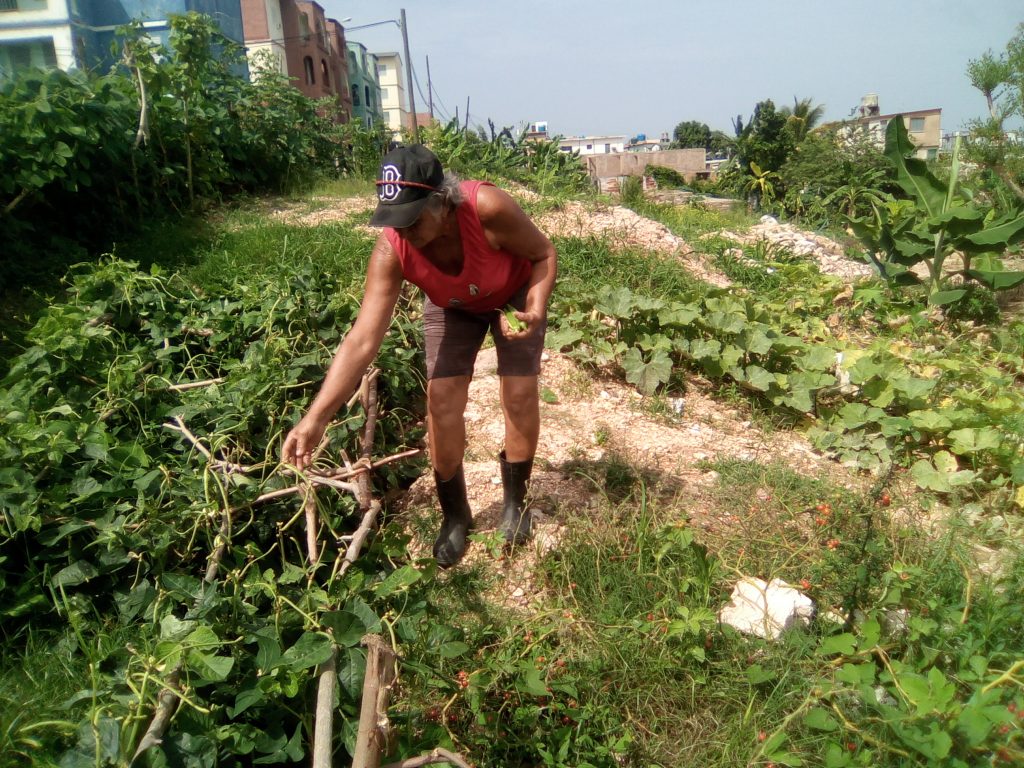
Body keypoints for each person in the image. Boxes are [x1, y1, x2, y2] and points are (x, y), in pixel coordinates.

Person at [282, 144, 557, 568]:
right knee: (441, 401)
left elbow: (543, 254)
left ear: (442, 202)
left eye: (412, 219)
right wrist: (316, 417)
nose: (403, 231)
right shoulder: (393, 248)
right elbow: (362, 339)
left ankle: (514, 504)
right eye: (394, 221)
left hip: (514, 297)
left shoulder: (487, 207)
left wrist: (535, 308)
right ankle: (455, 515)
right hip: (452, 307)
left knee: (518, 393)